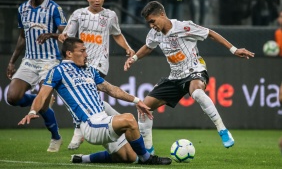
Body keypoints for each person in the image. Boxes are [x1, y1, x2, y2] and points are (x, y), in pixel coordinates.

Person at [124, 1, 255, 151]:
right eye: (148, 23)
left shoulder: (184, 27)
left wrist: (234, 50)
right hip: (175, 77)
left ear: (162, 14)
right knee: (143, 108)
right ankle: (148, 152)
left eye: (152, 21)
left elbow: (210, 33)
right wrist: (133, 59)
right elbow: (148, 47)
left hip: (194, 71)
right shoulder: (155, 33)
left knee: (197, 93)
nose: (151, 25)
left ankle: (222, 130)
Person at [18, 37, 172, 165]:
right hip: (90, 124)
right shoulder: (57, 71)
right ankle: (147, 159)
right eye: (82, 51)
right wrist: (32, 111)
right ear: (69, 53)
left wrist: (137, 100)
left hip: (102, 119)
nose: (86, 54)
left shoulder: (90, 70)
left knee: (128, 157)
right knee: (129, 120)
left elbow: (111, 89)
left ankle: (82, 159)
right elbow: (42, 95)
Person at [58, 0, 135, 150]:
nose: (97, 0)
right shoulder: (79, 14)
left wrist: (127, 48)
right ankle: (117, 118)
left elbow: (117, 34)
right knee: (89, 97)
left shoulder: (110, 15)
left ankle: (79, 129)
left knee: (89, 91)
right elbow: (67, 37)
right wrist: (63, 37)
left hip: (99, 63)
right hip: (80, 62)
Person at [6, 0, 67, 152]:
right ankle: (37, 99)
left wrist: (51, 34)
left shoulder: (54, 8)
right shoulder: (22, 8)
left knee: (44, 104)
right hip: (29, 60)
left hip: (50, 61)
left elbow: (66, 35)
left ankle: (56, 137)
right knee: (11, 97)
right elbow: (22, 37)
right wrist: (12, 61)